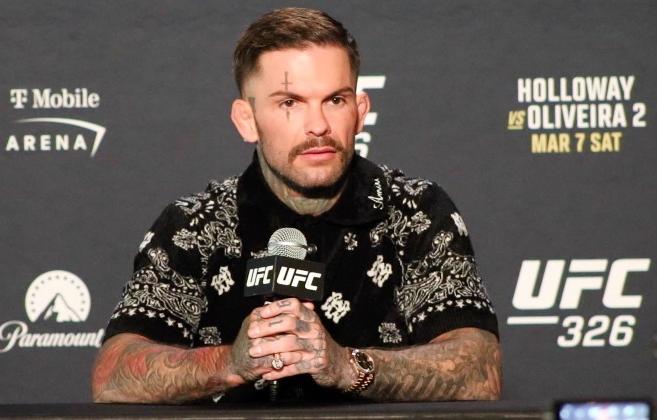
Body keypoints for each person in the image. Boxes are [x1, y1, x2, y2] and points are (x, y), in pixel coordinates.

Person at [91, 7, 502, 404]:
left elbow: (480, 370)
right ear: (246, 120)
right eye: (290, 103)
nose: (318, 125)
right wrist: (230, 362)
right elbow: (112, 376)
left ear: (360, 112)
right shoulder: (196, 224)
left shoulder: (414, 211)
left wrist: (346, 366)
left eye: (335, 100)